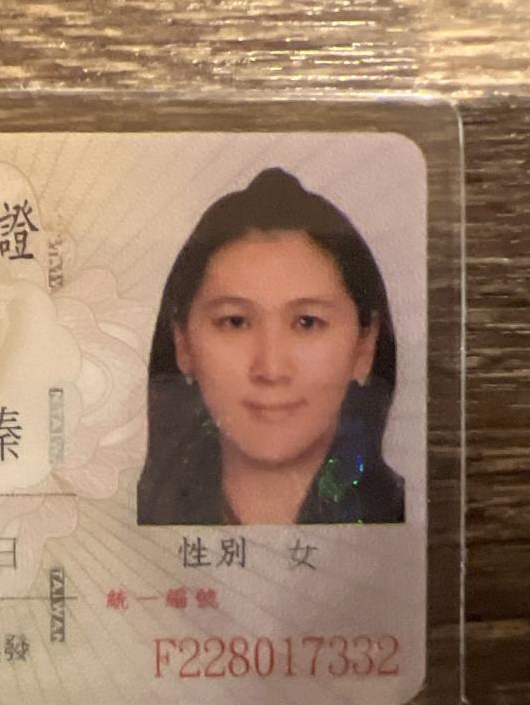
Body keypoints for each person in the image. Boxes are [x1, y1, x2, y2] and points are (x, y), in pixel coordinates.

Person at [136, 167, 405, 525]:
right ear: (182, 343)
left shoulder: (409, 519)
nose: (271, 369)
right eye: (235, 322)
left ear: (364, 347)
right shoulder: (122, 525)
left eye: (307, 322)